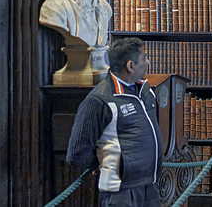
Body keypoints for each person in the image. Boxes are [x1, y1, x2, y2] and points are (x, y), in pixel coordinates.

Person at [66, 36, 163, 207]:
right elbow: (77, 153)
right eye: (144, 58)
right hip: (121, 192)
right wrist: (104, 162)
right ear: (130, 66)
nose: (148, 62)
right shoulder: (99, 100)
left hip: (149, 186)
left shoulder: (145, 90)